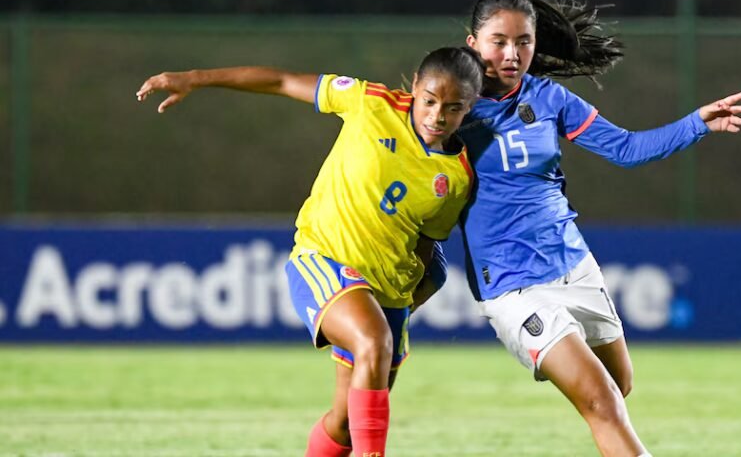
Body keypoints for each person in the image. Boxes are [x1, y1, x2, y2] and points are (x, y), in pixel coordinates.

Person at [136, 47, 484, 457]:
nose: (436, 116)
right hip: (326, 260)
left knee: (346, 425)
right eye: (429, 100)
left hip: (386, 291)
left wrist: (408, 302)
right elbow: (281, 81)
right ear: (413, 87)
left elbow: (426, 244)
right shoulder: (369, 102)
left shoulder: (458, 174)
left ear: (470, 107)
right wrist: (194, 77)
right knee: (373, 342)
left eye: (453, 107)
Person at [456, 0, 741, 456]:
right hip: (514, 285)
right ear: (472, 42)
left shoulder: (549, 97)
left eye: (524, 41)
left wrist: (697, 122)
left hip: (573, 264)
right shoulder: (451, 108)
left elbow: (626, 148)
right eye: (499, 41)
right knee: (602, 404)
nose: (513, 54)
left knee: (619, 386)